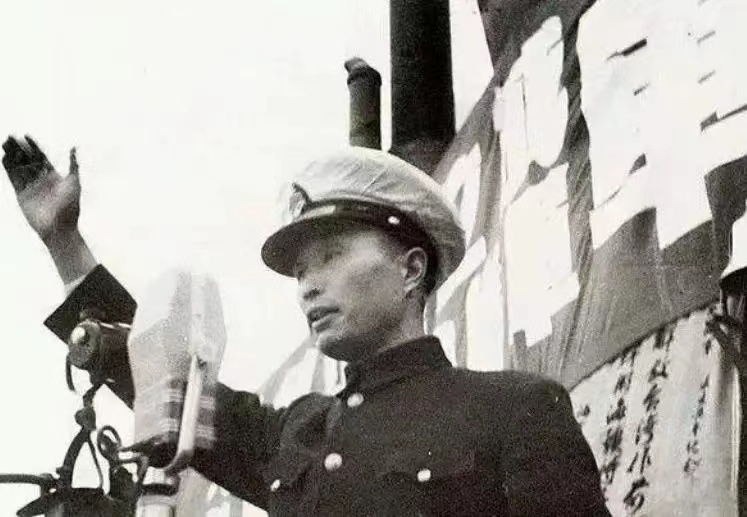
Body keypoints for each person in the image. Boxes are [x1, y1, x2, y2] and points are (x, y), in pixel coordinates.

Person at [3, 136, 610, 516]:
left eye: (332, 256)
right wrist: (64, 244)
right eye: (300, 271)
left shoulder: (515, 410)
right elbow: (158, 372)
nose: (309, 285)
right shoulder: (297, 434)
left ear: (410, 269)